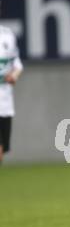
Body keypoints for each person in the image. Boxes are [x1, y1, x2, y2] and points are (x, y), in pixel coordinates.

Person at [0, 24, 23, 165]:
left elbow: (18, 64)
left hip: (5, 104)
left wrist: (14, 76)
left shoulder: (7, 35)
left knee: (2, 151)